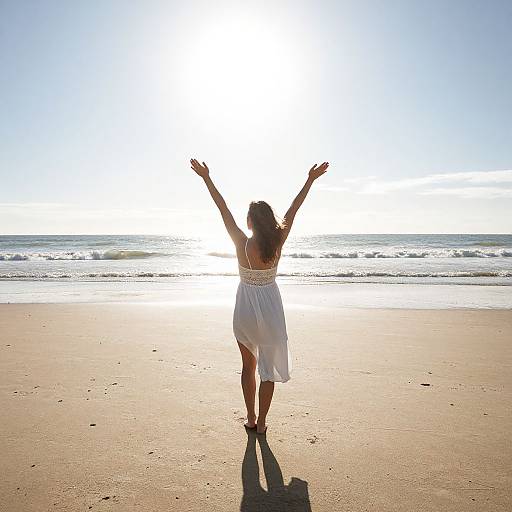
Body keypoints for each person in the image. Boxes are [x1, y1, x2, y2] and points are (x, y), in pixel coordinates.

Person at [190, 158, 329, 434]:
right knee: (268, 371)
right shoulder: (278, 241)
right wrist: (310, 180)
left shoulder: (240, 242)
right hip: (270, 309)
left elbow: (222, 208)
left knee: (248, 366)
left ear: (251, 222)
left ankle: (251, 417)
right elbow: (294, 208)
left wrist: (206, 178)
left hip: (244, 309)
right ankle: (263, 423)